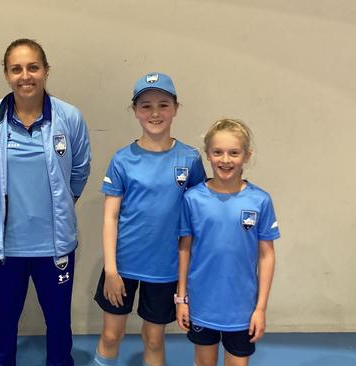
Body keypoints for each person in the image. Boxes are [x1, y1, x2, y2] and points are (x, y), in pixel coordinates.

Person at [0, 38, 91, 366]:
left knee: (58, 324)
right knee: (4, 324)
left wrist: (60, 206)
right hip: (6, 247)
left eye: (33, 67)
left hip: (54, 246)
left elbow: (80, 170)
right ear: (6, 75)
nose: (25, 76)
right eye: (16, 69)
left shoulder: (69, 117)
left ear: (46, 71)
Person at [94, 72, 206, 366]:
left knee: (154, 339)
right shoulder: (122, 159)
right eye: (146, 106)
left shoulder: (190, 158)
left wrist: (186, 279)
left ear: (176, 108)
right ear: (135, 111)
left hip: (165, 269)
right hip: (123, 266)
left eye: (163, 104)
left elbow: (196, 219)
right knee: (110, 336)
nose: (155, 113)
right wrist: (111, 271)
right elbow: (110, 218)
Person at [176, 119, 279, 366]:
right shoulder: (193, 199)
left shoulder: (260, 201)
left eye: (234, 153)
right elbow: (184, 249)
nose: (225, 159)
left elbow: (267, 256)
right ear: (208, 155)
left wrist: (260, 309)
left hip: (242, 309)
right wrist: (182, 299)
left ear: (246, 156)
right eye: (218, 152)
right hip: (202, 305)